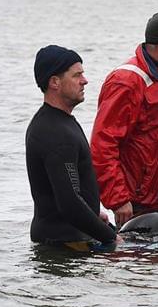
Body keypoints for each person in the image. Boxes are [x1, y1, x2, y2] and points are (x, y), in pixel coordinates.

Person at [91, 11, 158, 228]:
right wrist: (118, 199)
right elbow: (103, 144)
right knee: (136, 261)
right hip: (135, 204)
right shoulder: (127, 81)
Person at [26, 45, 119, 248]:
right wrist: (110, 237)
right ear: (54, 82)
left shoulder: (59, 121)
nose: (85, 81)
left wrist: (94, 214)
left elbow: (70, 190)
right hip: (64, 244)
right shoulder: (55, 133)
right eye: (77, 75)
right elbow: (69, 203)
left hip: (70, 236)